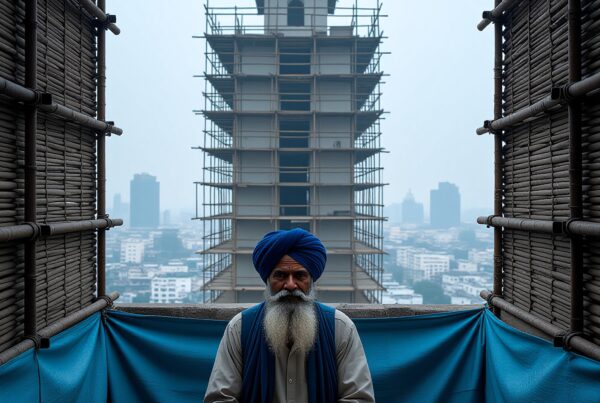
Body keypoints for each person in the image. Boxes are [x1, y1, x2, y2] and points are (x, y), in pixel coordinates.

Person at [205, 228, 375, 403]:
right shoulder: (239, 329)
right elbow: (220, 398)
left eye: (300, 275)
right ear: (268, 280)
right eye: (280, 275)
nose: (291, 285)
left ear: (311, 280)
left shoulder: (340, 328)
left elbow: (358, 398)